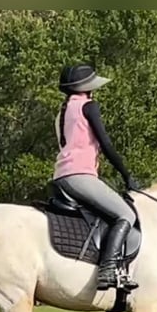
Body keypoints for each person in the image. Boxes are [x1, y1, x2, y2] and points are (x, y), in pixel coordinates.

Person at [51, 63, 139, 291]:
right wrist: (126, 175)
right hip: (80, 174)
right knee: (126, 214)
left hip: (61, 175)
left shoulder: (62, 112)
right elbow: (106, 144)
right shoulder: (90, 107)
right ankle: (107, 271)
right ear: (87, 88)